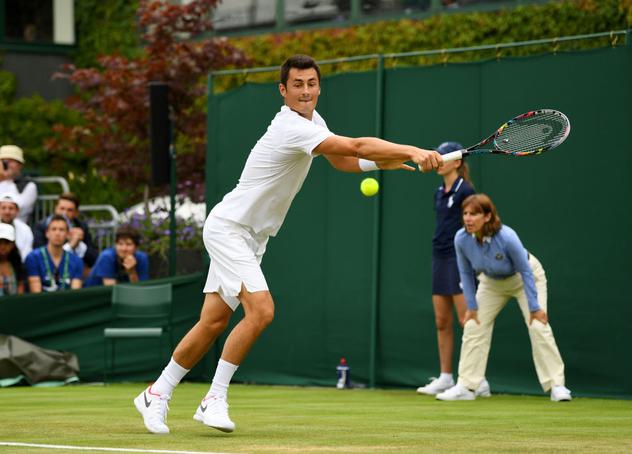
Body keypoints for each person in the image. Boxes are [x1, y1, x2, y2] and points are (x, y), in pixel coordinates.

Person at [134, 54, 444, 435]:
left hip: (251, 236)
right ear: (283, 91)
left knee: (212, 321)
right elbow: (358, 145)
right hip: (229, 228)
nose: (306, 91)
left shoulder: (314, 123)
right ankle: (214, 397)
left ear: (319, 87)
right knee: (262, 311)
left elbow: (344, 162)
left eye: (311, 84)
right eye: (297, 85)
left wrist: (384, 164)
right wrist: (412, 151)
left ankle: (156, 392)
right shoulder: (289, 127)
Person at [435, 194, 571, 402]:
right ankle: (467, 386)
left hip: (524, 277)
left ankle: (557, 386)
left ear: (487, 217)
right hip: (491, 282)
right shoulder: (461, 238)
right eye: (465, 214)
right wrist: (471, 307)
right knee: (473, 325)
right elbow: (464, 272)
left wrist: (535, 308)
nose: (468, 219)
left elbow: (526, 271)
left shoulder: (507, 237)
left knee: (538, 326)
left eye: (474, 214)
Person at [416, 142, 491, 398]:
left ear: (457, 162)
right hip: (439, 256)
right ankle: (446, 377)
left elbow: (473, 227)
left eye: (443, 156)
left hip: (459, 258)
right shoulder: (439, 191)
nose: (438, 160)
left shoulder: (465, 191)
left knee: (467, 319)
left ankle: (475, 380)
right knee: (442, 321)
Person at [33, 192, 99, 274]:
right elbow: (42, 259)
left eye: (69, 210)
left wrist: (80, 245)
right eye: (62, 208)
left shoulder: (81, 227)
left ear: (76, 213)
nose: (64, 213)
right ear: (56, 208)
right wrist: (71, 245)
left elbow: (94, 259)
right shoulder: (41, 227)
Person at [25, 214, 84, 293]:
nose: (57, 233)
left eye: (61, 230)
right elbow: (36, 293)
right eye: (54, 229)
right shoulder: (33, 257)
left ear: (67, 234)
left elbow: (75, 293)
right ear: (47, 233)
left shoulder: (77, 261)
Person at [85, 225, 149, 287]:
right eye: (120, 244)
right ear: (115, 245)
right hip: (96, 295)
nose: (124, 248)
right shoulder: (107, 257)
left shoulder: (142, 258)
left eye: (128, 244)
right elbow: (112, 290)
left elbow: (141, 288)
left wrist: (132, 272)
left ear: (136, 247)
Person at [0, 145, 38, 224]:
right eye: (3, 161)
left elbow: (20, 208)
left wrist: (6, 180)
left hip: (17, 230)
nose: (6, 164)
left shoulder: (29, 185)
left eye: (10, 161)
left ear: (20, 165)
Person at [0, 192, 34, 261]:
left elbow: (27, 254)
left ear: (17, 210)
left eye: (11, 208)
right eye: (3, 208)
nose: (7, 212)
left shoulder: (25, 230)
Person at [0, 223, 26, 296]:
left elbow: (21, 291)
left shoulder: (18, 266)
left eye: (6, 242)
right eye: (0, 242)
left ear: (13, 244)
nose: (3, 246)